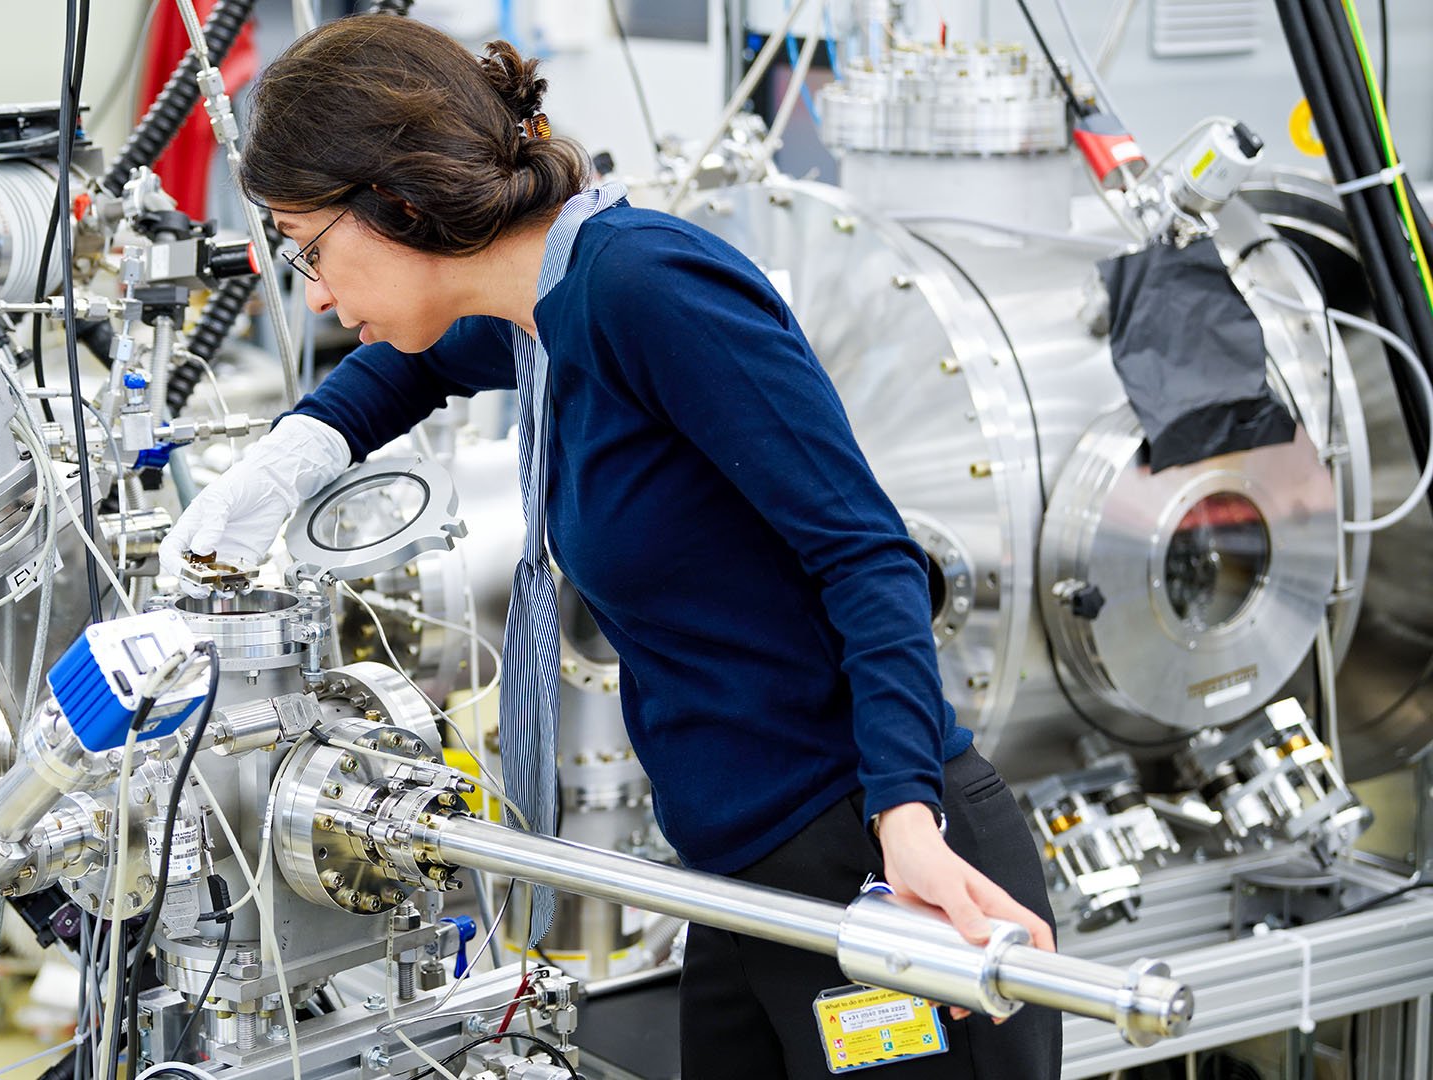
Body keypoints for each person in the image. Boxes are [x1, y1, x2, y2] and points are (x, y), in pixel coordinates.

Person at [158, 14, 1062, 1079]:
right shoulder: (544, 306)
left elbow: (867, 555)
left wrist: (908, 820)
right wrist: (300, 446)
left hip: (870, 856)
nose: (312, 291)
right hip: (736, 879)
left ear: (399, 206)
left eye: (313, 250)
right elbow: (428, 356)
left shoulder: (646, 287)